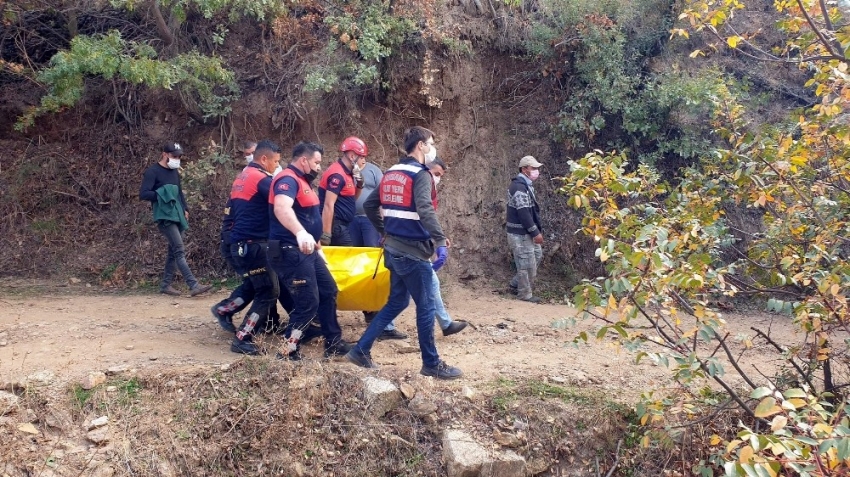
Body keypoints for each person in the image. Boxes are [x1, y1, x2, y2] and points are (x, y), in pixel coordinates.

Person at [345, 126, 462, 380]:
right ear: (420, 145)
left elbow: (370, 204)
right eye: (430, 142)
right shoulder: (421, 175)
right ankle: (431, 363)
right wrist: (440, 239)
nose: (432, 147)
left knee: (397, 302)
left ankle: (360, 350)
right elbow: (425, 209)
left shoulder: (391, 172)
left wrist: (384, 230)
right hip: (412, 253)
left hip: (393, 249)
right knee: (426, 306)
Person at [268, 141, 352, 360]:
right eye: (316, 162)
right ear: (303, 160)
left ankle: (333, 342)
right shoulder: (287, 179)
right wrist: (299, 233)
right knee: (308, 302)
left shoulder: (303, 181)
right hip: (290, 249)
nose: (318, 167)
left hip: (307, 250)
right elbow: (282, 208)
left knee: (328, 290)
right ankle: (288, 350)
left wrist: (316, 242)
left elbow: (307, 217)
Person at [225, 140, 283, 355]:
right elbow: (283, 200)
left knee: (264, 288)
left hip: (242, 243)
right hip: (254, 243)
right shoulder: (260, 178)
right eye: (275, 162)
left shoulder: (242, 176)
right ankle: (243, 337)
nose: (276, 166)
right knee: (269, 291)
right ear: (264, 159)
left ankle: (262, 326)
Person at [139, 142, 212, 297]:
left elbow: (179, 193)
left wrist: (185, 209)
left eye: (179, 156)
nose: (177, 159)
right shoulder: (152, 172)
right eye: (174, 156)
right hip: (164, 216)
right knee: (179, 250)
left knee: (173, 252)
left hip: (178, 214)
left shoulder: (174, 171)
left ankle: (166, 285)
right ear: (164, 154)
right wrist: (163, 195)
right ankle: (193, 285)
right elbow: (144, 194)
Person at [427, 158, 467, 337]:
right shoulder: (420, 187)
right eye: (435, 174)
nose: (437, 178)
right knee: (400, 294)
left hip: (413, 245)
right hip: (409, 246)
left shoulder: (428, 189)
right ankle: (445, 324)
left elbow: (430, 219)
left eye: (440, 176)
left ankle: (445, 323)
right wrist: (439, 238)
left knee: (399, 292)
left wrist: (440, 237)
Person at [506, 155, 544, 303]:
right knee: (526, 263)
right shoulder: (519, 187)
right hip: (520, 233)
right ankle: (524, 294)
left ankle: (516, 284)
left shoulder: (526, 186)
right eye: (533, 168)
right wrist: (535, 232)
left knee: (536, 256)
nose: (535, 171)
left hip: (524, 231)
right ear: (524, 169)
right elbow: (523, 213)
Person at [318, 136, 367, 247]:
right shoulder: (338, 175)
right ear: (352, 156)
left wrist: (359, 185)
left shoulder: (347, 173)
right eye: (362, 157)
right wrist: (326, 234)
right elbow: (328, 204)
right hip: (336, 226)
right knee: (349, 259)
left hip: (343, 225)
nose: (364, 161)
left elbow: (351, 199)